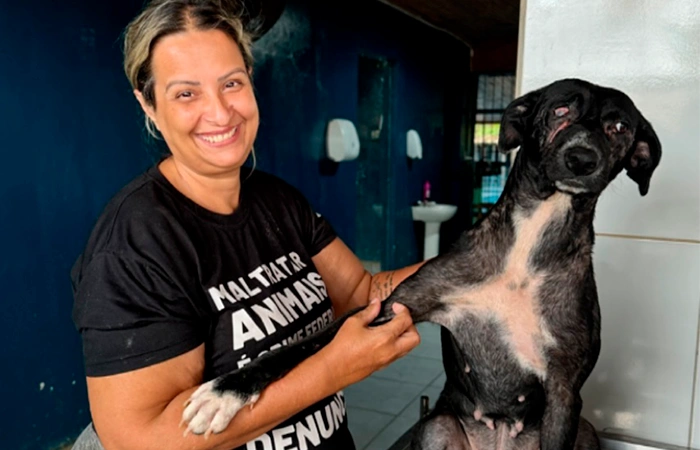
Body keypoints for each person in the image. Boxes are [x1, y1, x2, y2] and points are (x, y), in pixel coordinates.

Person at [70, 0, 423, 449]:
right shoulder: (136, 244)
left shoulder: (278, 200)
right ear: (149, 105)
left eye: (230, 83)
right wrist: (331, 370)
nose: (219, 113)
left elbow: (362, 294)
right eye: (186, 93)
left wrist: (491, 258)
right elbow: (142, 439)